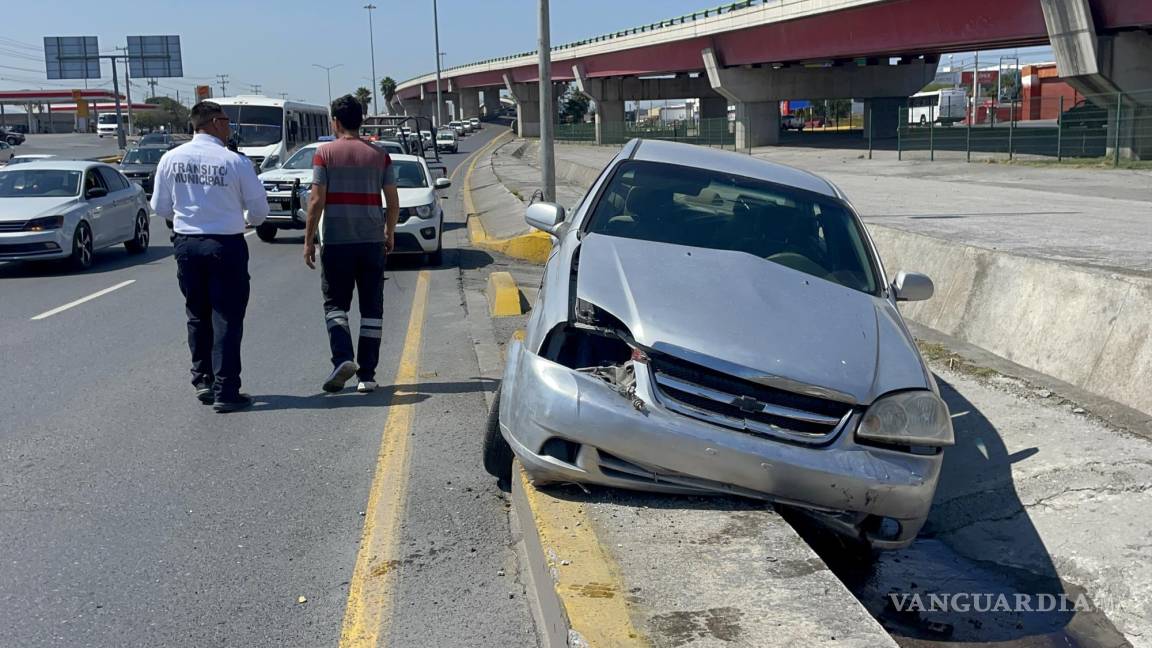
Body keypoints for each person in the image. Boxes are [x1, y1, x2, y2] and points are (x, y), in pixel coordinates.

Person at [151, 101, 270, 413]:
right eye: (227, 120)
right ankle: (226, 389)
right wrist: (245, 218)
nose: (230, 126)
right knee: (226, 317)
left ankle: (202, 379)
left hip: (186, 245)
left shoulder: (170, 159)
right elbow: (259, 212)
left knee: (197, 313)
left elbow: (160, 208)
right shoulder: (235, 162)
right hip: (225, 245)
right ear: (215, 122)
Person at [303, 94, 399, 394]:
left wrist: (308, 241)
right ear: (361, 120)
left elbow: (317, 200)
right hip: (371, 240)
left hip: (337, 241)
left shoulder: (325, 153)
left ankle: (343, 358)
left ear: (336, 121)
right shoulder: (380, 154)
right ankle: (367, 376)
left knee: (335, 306)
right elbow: (392, 201)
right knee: (372, 309)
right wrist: (389, 232)